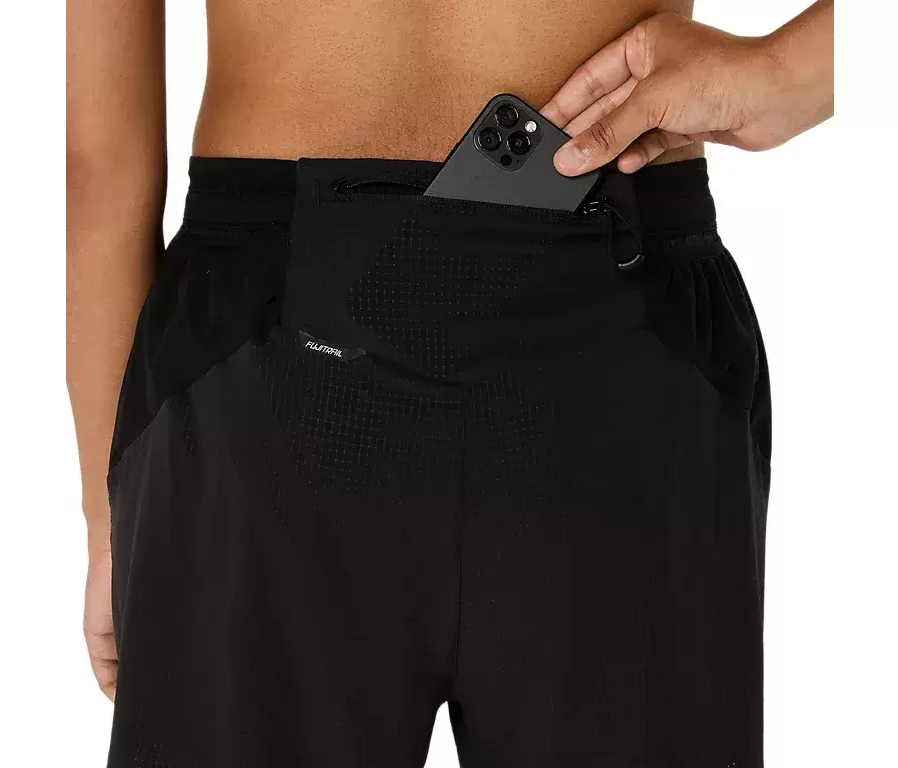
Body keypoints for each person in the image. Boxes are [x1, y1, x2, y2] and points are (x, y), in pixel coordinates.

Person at [66, 0, 832, 764]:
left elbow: (100, 168)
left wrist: (111, 514)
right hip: (617, 351)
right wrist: (783, 72)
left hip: (266, 367)